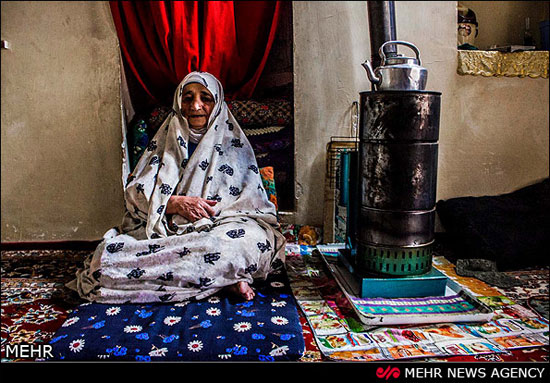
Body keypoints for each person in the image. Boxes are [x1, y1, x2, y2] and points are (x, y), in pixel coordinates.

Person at [67, 71, 286, 303]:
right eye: (188, 98)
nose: (196, 106)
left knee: (242, 243)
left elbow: (252, 204)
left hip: (221, 231)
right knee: (106, 257)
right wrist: (173, 204)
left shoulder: (234, 142)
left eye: (206, 98)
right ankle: (223, 278)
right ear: (179, 102)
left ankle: (220, 273)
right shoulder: (165, 140)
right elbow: (135, 195)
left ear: (218, 103)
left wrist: (209, 218)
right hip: (165, 231)